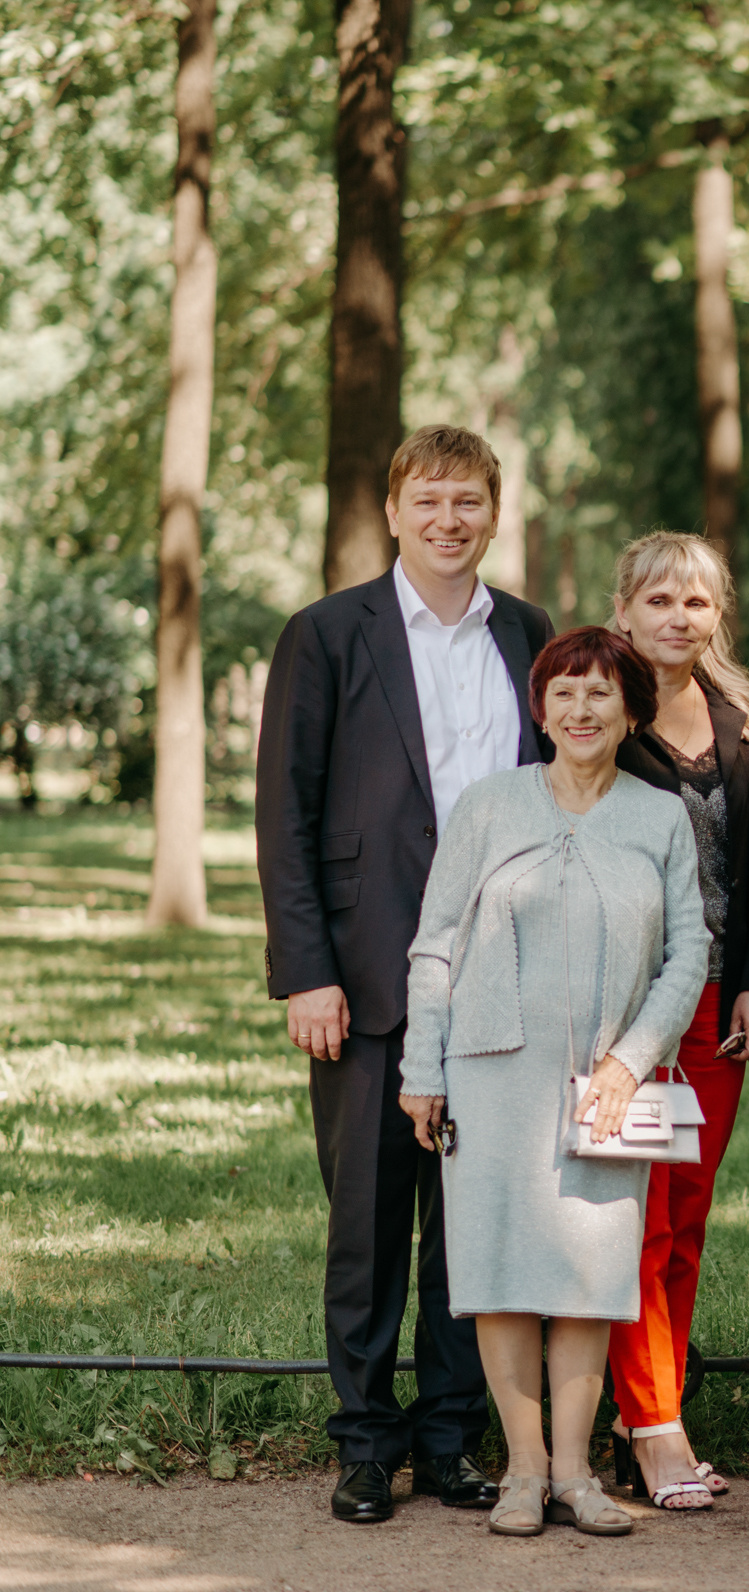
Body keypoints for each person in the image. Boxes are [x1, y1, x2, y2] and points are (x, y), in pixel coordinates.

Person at [255, 424, 552, 1524]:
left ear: (494, 512)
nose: (447, 520)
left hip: (501, 973)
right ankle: (366, 1443)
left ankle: (450, 1438)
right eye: (426, 500)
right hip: (368, 972)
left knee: (474, 1221)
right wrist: (307, 972)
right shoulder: (329, 633)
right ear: (392, 512)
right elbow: (285, 813)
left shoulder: (529, 633)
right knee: (371, 1226)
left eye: (467, 500)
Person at [395, 625, 711, 1538]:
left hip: (605, 1087)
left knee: (589, 1273)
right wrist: (424, 1068)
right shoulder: (488, 806)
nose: (581, 709)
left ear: (631, 712)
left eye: (600, 693)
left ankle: (576, 1474)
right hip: (491, 1073)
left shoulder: (661, 817)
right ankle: (523, 1472)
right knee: (499, 1271)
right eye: (563, 692)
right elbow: (436, 943)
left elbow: (689, 951)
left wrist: (630, 1060)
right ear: (540, 710)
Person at [603, 532, 749, 1512]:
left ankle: (648, 1413)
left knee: (688, 1217)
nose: (678, 616)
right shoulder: (596, 713)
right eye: (659, 599)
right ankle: (654, 1427)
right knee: (638, 1217)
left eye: (696, 601)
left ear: (717, 615)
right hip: (629, 1005)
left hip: (718, 1004)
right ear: (624, 609)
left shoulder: (746, 721)